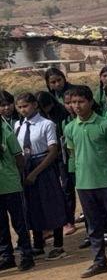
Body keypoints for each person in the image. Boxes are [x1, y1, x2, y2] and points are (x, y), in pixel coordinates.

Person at [64, 85, 107, 278]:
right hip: (84, 184)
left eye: (81, 101)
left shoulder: (104, 124)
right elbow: (72, 153)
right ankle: (99, 262)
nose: (77, 106)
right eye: (73, 102)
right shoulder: (70, 128)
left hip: (106, 181)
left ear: (90, 102)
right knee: (92, 226)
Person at [14, 93, 66, 260]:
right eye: (20, 107)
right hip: (26, 165)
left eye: (26, 106)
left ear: (35, 105)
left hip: (43, 166)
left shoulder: (46, 124)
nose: (23, 110)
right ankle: (38, 243)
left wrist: (35, 172)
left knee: (52, 204)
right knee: (32, 205)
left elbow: (53, 151)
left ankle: (58, 244)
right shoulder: (18, 125)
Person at [0, 116, 35, 272]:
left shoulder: (6, 132)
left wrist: (18, 176)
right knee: (1, 225)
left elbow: (19, 159)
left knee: (19, 223)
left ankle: (27, 254)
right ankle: (7, 256)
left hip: (11, 185)